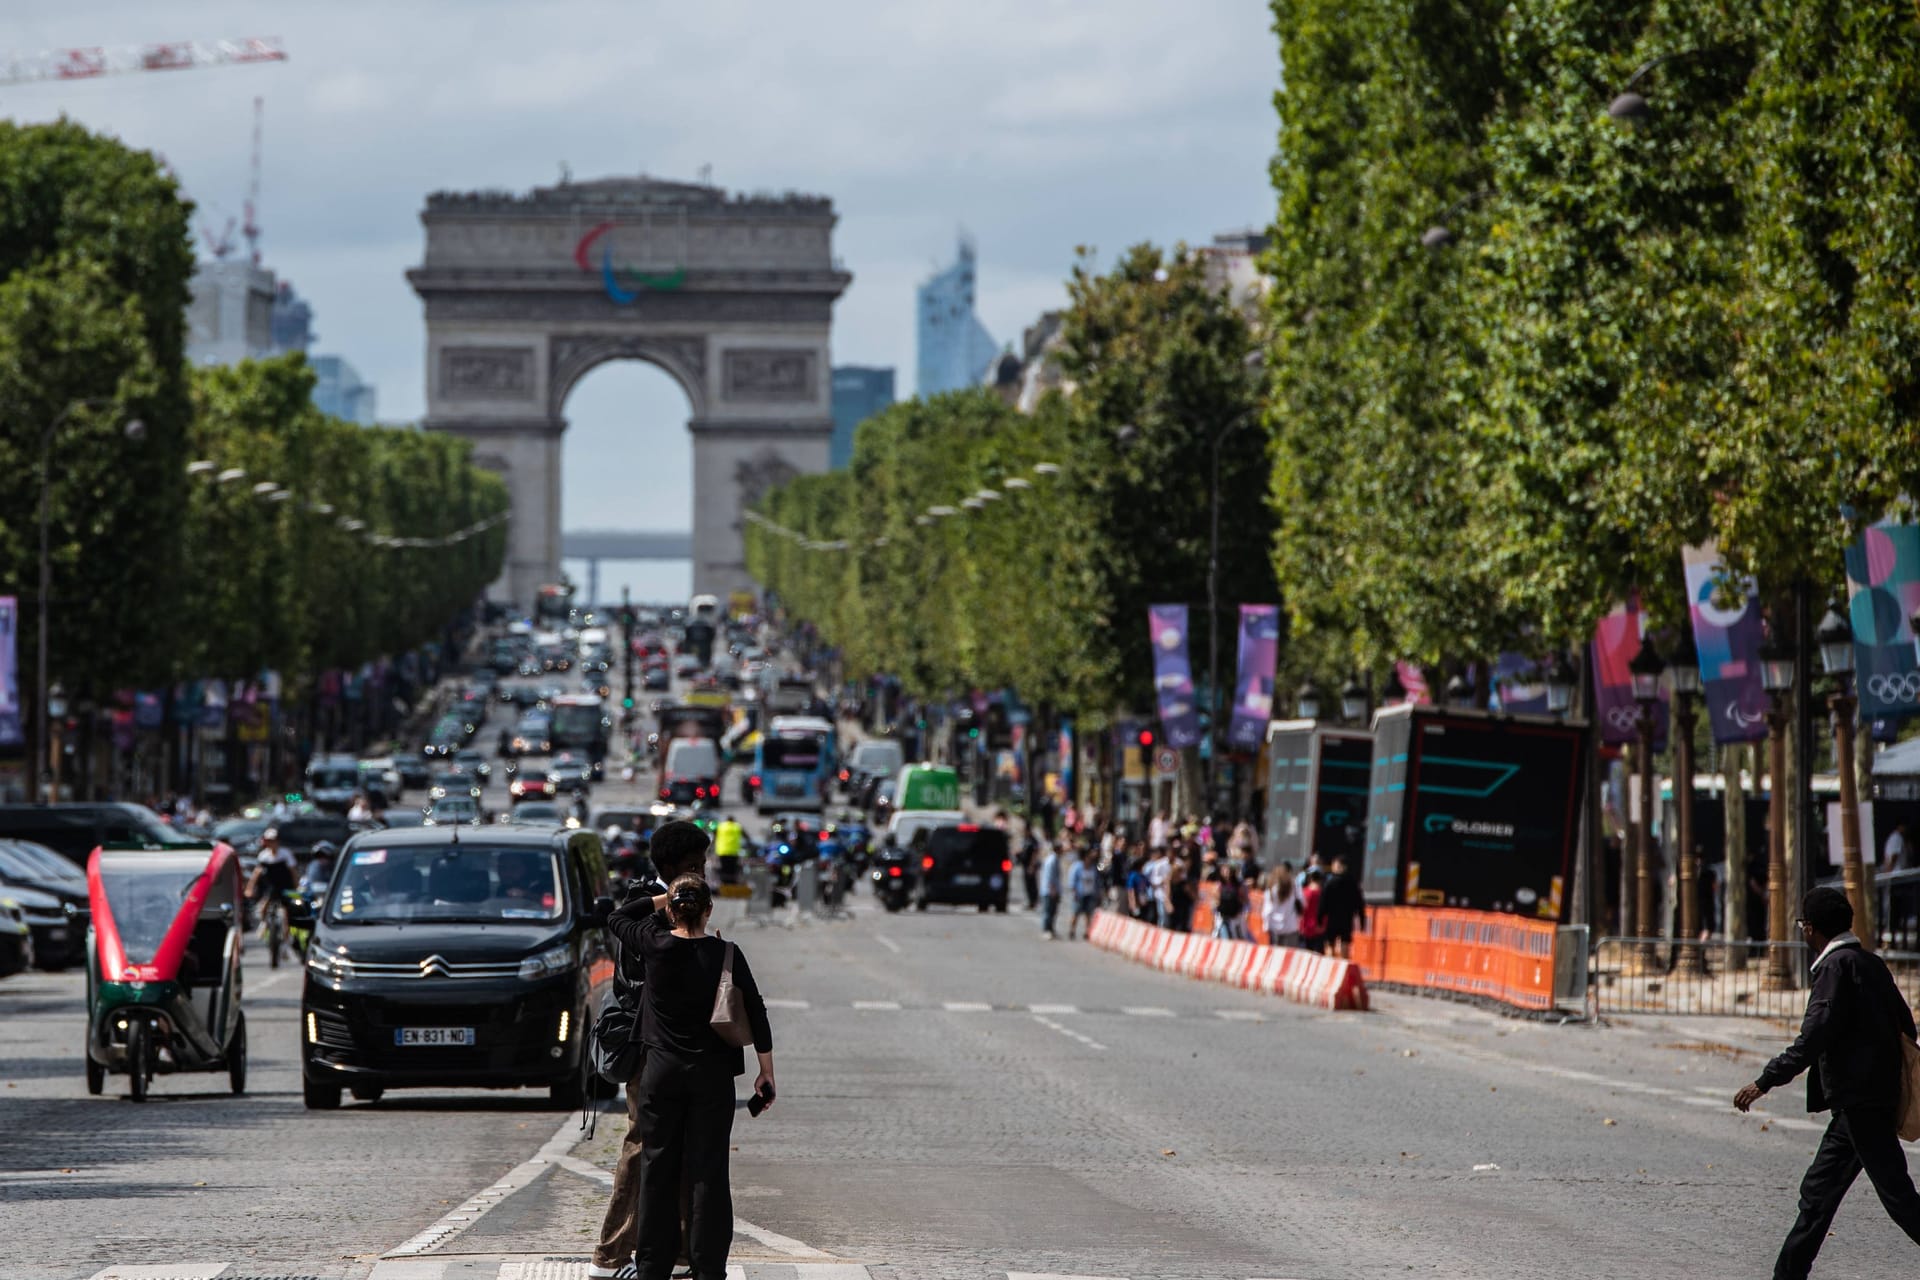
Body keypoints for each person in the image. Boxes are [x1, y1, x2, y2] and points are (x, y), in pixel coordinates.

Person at [1735, 887, 1920, 1278]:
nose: (1802, 932)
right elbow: (1907, 1026)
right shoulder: (1871, 964)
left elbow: (1813, 1036)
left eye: (1803, 924)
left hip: (1860, 1105)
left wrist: (1764, 1081)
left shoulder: (1834, 969)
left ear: (1811, 929)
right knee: (1817, 1196)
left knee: (1898, 1199)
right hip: (1863, 1105)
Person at [606, 872, 774, 1280]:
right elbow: (756, 1010)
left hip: (661, 1074)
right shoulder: (726, 953)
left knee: (658, 1168)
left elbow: (617, 917)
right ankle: (708, 1268)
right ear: (709, 910)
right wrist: (765, 1072)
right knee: (709, 1172)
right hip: (712, 1077)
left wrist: (663, 898)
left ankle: (652, 1267)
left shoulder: (655, 945)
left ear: (674, 910)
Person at [591, 821, 712, 1280]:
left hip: (675, 1046)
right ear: (672, 867)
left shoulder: (683, 902)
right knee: (643, 1145)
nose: (703, 872)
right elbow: (644, 979)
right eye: (695, 865)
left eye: (703, 864)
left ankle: (672, 1252)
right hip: (649, 1044)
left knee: (675, 1148)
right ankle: (612, 1254)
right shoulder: (646, 907)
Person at [246, 828, 297, 931]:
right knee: (264, 904)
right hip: (271, 885)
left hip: (285, 884)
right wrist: (250, 888)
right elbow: (257, 873)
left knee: (287, 909)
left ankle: (287, 934)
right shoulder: (264, 855)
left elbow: (293, 871)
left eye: (273, 840)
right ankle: (264, 923)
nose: (271, 843)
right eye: (269, 841)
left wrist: (296, 885)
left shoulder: (285, 854)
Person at [1319, 853, 1367, 959]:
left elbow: (1323, 902)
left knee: (1330, 943)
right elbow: (1359, 903)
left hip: (1332, 917)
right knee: (1345, 942)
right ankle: (1344, 964)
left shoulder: (1330, 883)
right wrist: (1362, 920)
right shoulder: (1353, 883)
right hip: (1347, 918)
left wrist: (1320, 918)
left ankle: (1330, 965)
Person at [1261, 864, 1304, 948]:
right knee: (1290, 955)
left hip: (1274, 927)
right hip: (1291, 927)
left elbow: (1267, 910)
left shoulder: (1271, 888)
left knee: (1275, 955)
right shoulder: (1294, 886)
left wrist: (1266, 925)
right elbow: (1303, 903)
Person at [1067, 848, 1100, 940]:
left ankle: (1087, 931)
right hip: (1079, 894)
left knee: (1088, 914)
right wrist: (1074, 892)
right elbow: (1072, 881)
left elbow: (1096, 882)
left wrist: (1098, 893)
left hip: (1090, 894)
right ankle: (1072, 931)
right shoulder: (1077, 867)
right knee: (1075, 913)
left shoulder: (1093, 868)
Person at [1214, 863, 1248, 941]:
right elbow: (1216, 898)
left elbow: (1244, 899)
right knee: (1225, 935)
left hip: (1235, 916)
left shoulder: (1238, 885)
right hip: (1223, 915)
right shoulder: (1220, 885)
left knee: (1237, 935)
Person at [1037, 841, 1064, 939]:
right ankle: (1046, 930)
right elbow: (1049, 877)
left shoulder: (1055, 859)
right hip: (1050, 891)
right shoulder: (1051, 860)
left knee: (1053, 912)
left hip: (1053, 890)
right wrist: (1052, 890)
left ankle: (1051, 929)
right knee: (1048, 911)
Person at [1298, 868, 1327, 954]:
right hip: (1320, 926)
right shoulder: (1323, 893)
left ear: (1310, 879)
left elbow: (1302, 910)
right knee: (1319, 953)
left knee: (1307, 952)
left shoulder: (1305, 892)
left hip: (1306, 926)